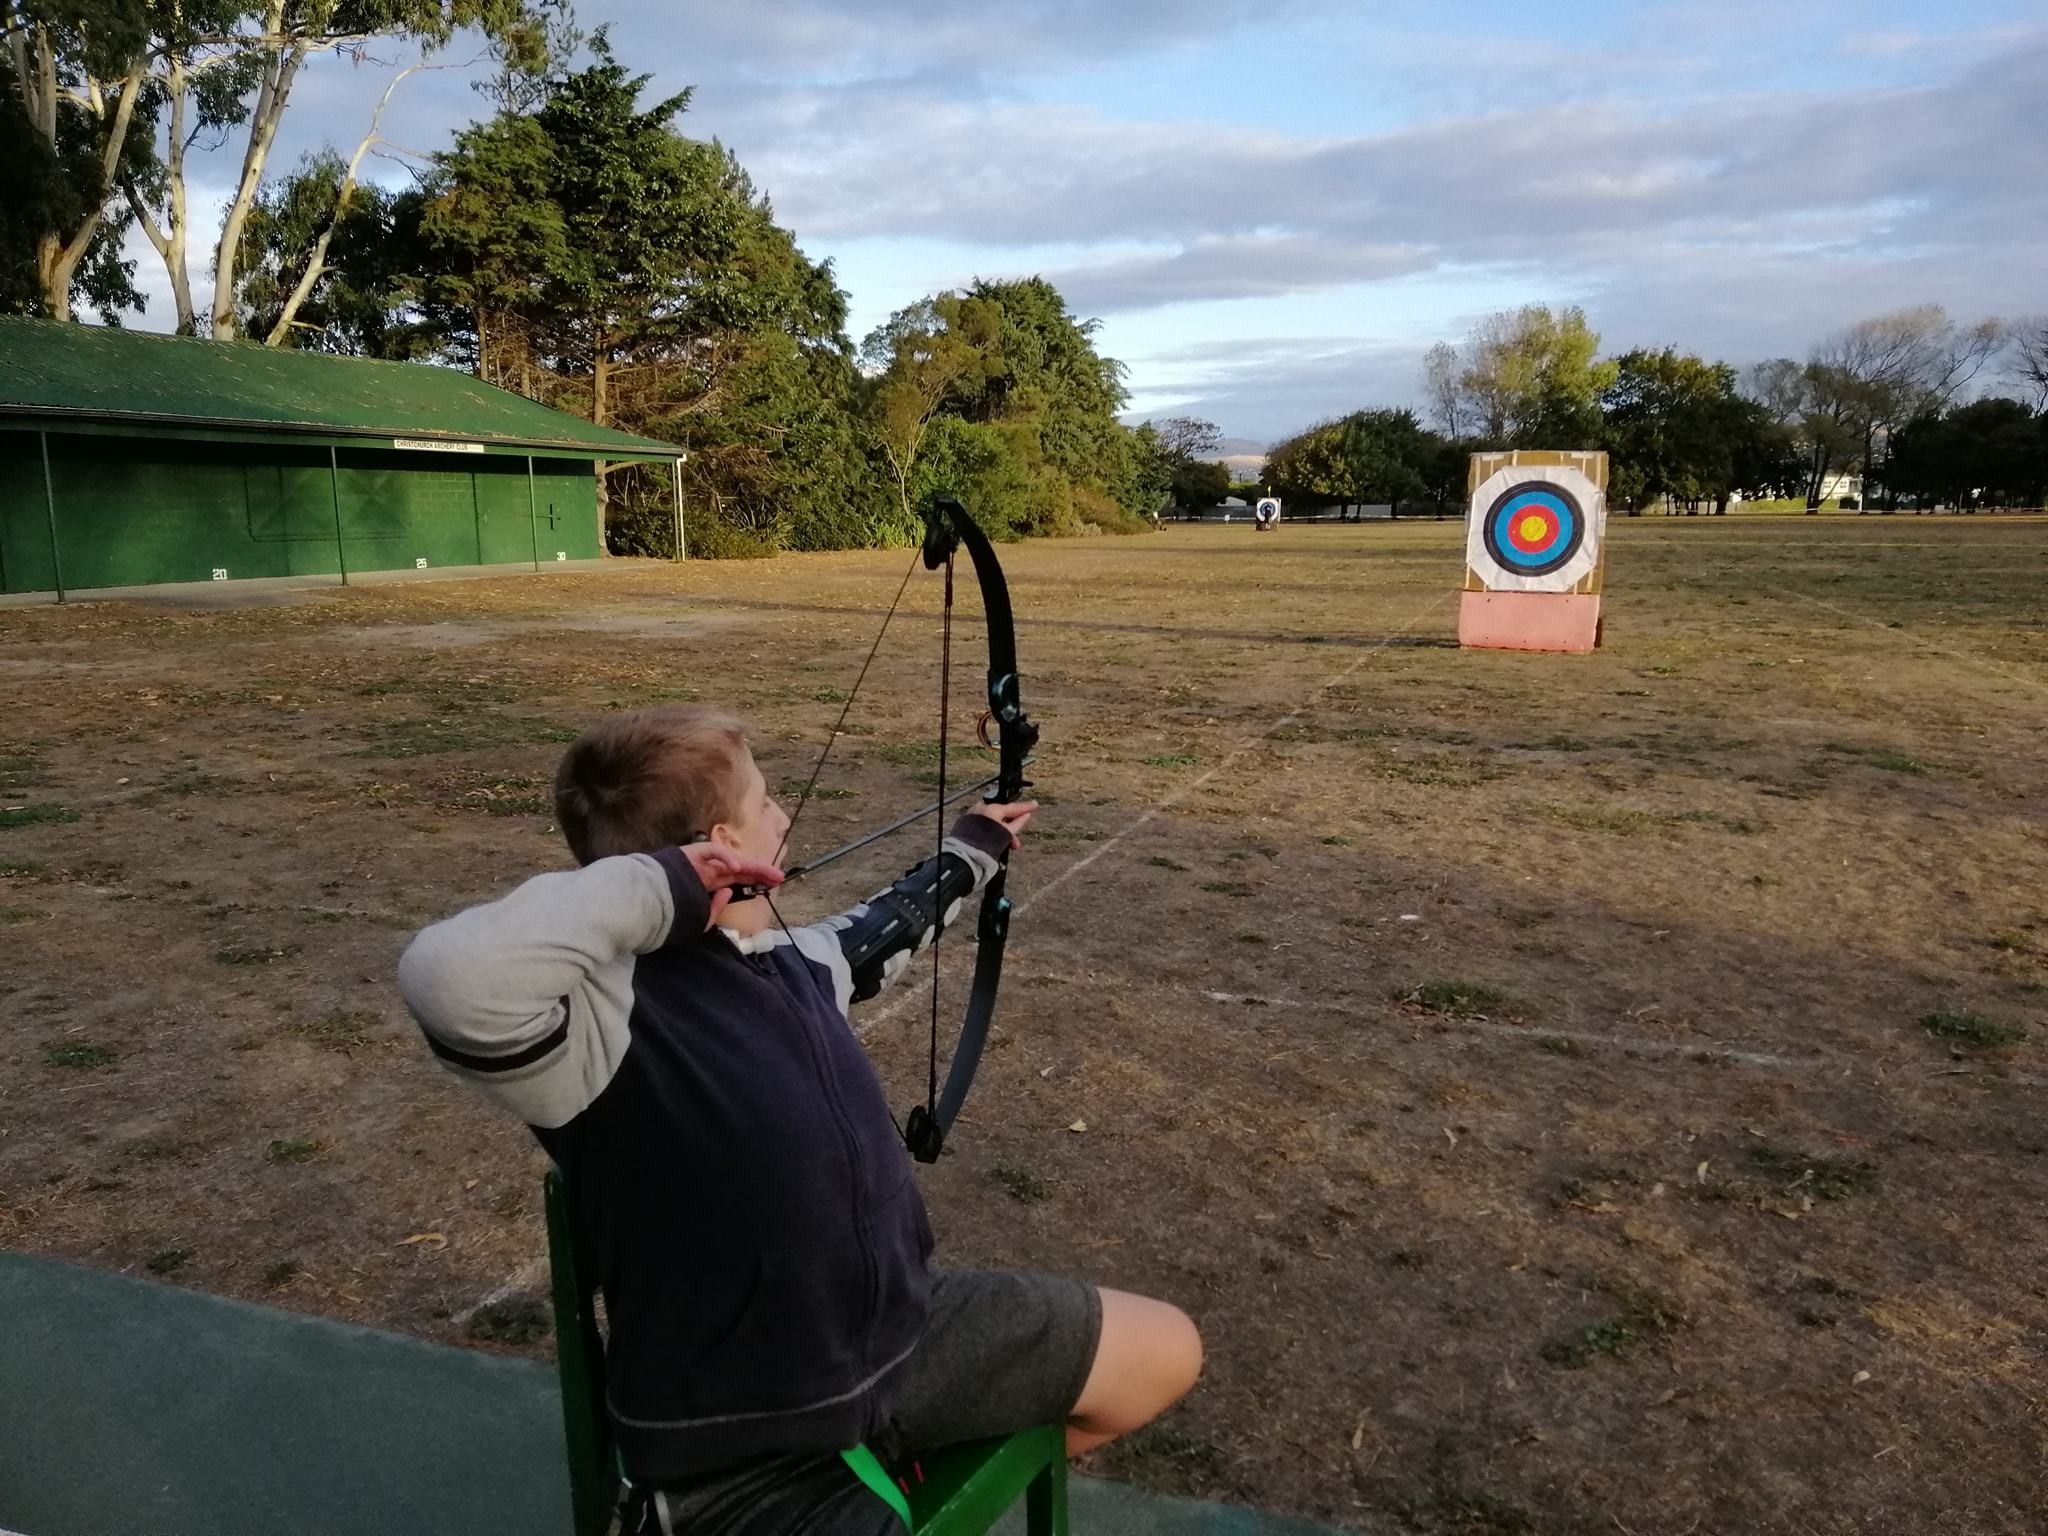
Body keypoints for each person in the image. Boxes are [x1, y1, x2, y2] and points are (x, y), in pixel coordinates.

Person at [399, 705, 1202, 1534]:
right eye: (767, 802)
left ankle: (899, 1460)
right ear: (723, 846)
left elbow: (882, 929)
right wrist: (668, 887)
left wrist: (971, 850)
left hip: (901, 1336)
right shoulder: (595, 1029)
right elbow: (445, 976)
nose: (785, 816)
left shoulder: (791, 965)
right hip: (741, 1448)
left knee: (1165, 1352)